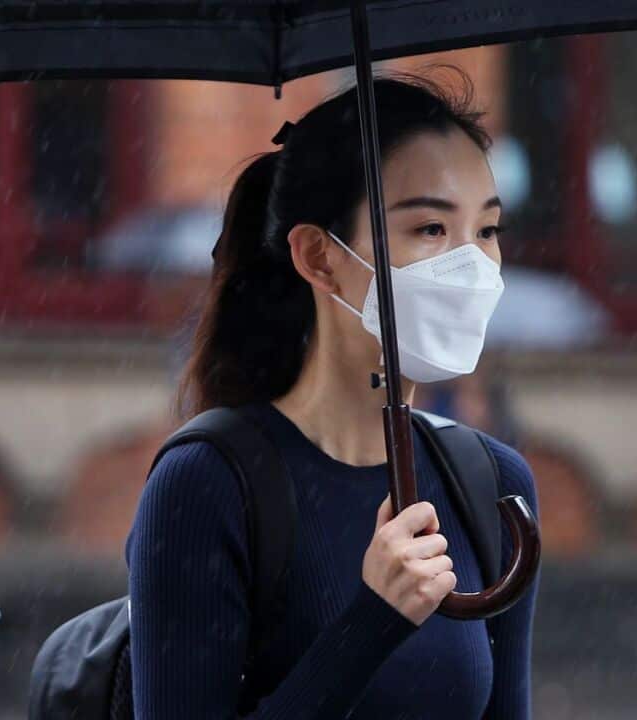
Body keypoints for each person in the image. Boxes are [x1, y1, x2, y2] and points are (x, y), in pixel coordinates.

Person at [124, 70, 540, 719]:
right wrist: (372, 620)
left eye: (487, 230)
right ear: (320, 256)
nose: (473, 267)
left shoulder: (490, 482)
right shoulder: (207, 484)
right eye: (430, 228)